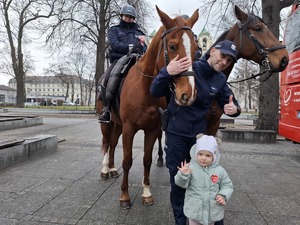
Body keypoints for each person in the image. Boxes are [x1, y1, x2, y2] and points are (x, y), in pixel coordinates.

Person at [150, 40, 241, 225]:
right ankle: (181, 221)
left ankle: (202, 217)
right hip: (177, 135)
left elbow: (230, 101)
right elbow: (155, 90)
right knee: (178, 181)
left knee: (202, 180)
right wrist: (167, 71)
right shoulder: (189, 67)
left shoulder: (220, 79)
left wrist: (235, 109)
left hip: (199, 139)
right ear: (213, 51)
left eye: (229, 61)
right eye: (223, 56)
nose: (224, 62)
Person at [98, 4, 147, 123]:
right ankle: (107, 108)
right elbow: (114, 44)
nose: (128, 19)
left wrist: (142, 48)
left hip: (137, 60)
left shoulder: (139, 32)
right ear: (122, 16)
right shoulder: (114, 30)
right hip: (119, 59)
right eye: (126, 16)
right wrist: (131, 47)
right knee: (108, 77)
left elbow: (144, 47)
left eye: (131, 17)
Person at [175, 134, 233, 225]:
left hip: (212, 210)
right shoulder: (190, 167)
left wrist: (223, 195)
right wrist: (183, 175)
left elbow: (227, 185)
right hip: (195, 210)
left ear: (214, 156)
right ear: (195, 153)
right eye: (200, 154)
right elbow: (181, 184)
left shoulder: (219, 171)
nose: (203, 158)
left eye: (208, 155)